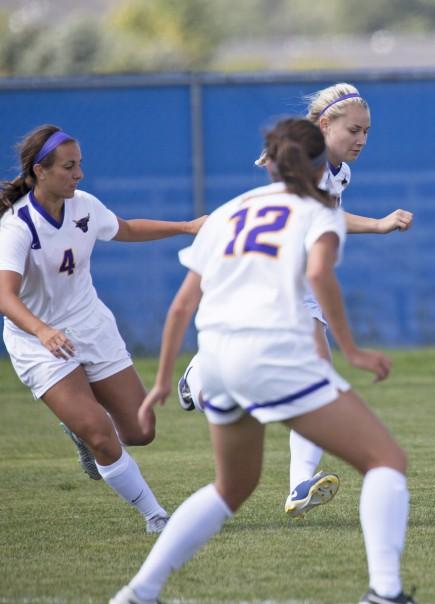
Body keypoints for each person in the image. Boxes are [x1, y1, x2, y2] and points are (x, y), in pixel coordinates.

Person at [112, 118, 413, 604]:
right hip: (271, 353)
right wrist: (353, 350)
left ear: (269, 163)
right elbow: (319, 274)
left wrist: (164, 378)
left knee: (232, 486)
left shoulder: (231, 210)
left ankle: (137, 592)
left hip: (215, 360)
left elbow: (182, 304)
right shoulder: (322, 211)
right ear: (320, 168)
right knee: (386, 461)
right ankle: (386, 592)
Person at [176, 82, 413, 519]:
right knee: (316, 377)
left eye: (367, 132)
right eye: (353, 130)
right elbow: (321, 218)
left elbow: (325, 216)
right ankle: (294, 478)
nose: (361, 139)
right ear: (324, 125)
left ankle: (204, 378)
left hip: (296, 284)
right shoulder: (313, 170)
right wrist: (379, 225)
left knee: (309, 379)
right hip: (285, 281)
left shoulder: (336, 171)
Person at [0, 124, 206, 533]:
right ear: (40, 171)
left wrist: (186, 226)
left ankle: (80, 428)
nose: (78, 175)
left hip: (90, 325)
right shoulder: (17, 226)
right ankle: (156, 516)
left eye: (80, 165)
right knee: (101, 435)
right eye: (69, 167)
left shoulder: (84, 206)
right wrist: (42, 331)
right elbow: (6, 297)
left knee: (142, 430)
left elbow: (124, 229)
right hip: (37, 341)